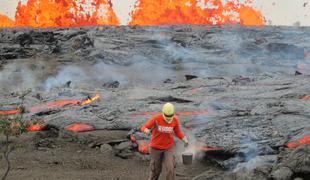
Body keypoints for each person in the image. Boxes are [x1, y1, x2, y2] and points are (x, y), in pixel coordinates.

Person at [141, 102, 189, 180]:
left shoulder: (175, 120)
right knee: (156, 170)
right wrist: (146, 130)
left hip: (168, 148)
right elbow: (143, 127)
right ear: (163, 112)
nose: (169, 117)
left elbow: (178, 132)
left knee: (170, 169)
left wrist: (185, 139)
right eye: (167, 115)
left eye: (170, 115)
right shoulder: (156, 118)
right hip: (155, 148)